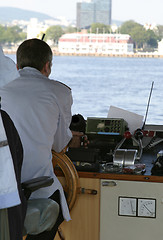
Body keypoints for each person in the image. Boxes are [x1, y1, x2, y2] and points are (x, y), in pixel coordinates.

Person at [0, 38, 81, 240]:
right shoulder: (60, 92)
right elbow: (60, 143)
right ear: (47, 66)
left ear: (17, 66)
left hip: (5, 190)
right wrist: (73, 139)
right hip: (32, 189)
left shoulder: (3, 90)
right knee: (57, 209)